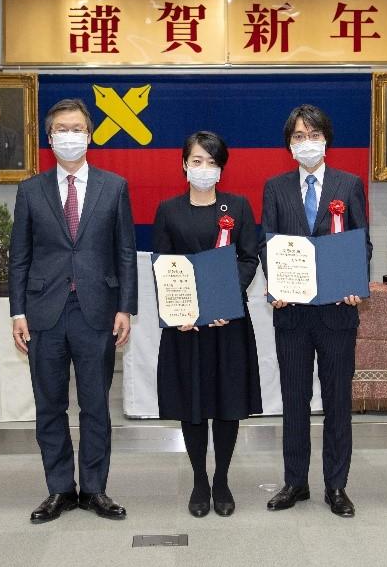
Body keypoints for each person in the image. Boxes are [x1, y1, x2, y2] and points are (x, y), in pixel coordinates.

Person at [9, 98, 137, 523]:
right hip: (43, 313)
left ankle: (95, 489)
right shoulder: (30, 190)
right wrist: (17, 312)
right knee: (49, 406)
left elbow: (124, 252)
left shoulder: (113, 186)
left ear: (90, 134)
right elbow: (19, 257)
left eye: (77, 129)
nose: (70, 136)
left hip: (96, 311)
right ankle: (60, 489)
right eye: (61, 130)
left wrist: (126, 307)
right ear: (49, 138)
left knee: (96, 405)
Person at [260, 104, 372, 518]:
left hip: (337, 314)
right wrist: (275, 285)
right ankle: (295, 482)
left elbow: (362, 243)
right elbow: (267, 244)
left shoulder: (349, 184)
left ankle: (336, 485)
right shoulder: (275, 187)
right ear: (289, 144)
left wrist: (354, 283)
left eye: (313, 135)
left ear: (326, 139)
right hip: (292, 314)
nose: (306, 142)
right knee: (294, 400)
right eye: (298, 136)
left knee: (338, 401)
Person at [152, 131, 263, 518]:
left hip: (227, 321)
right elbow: (163, 264)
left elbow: (249, 258)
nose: (204, 168)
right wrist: (179, 312)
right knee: (193, 402)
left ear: (221, 168)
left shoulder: (239, 206)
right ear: (184, 164)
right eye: (197, 161)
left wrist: (224, 298)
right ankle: (200, 479)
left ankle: (222, 480)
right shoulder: (168, 210)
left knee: (227, 401)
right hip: (187, 327)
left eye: (212, 162)